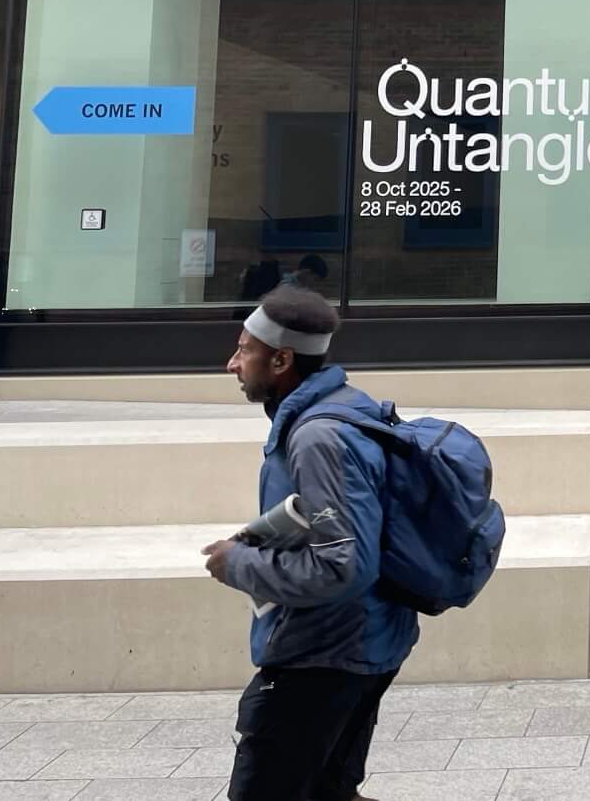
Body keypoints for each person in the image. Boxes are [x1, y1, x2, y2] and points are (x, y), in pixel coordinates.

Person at [201, 285, 416, 801]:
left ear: (280, 359)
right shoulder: (343, 408)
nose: (232, 364)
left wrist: (239, 564)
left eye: (244, 350)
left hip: (324, 653)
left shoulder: (320, 436)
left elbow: (345, 565)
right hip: (360, 643)